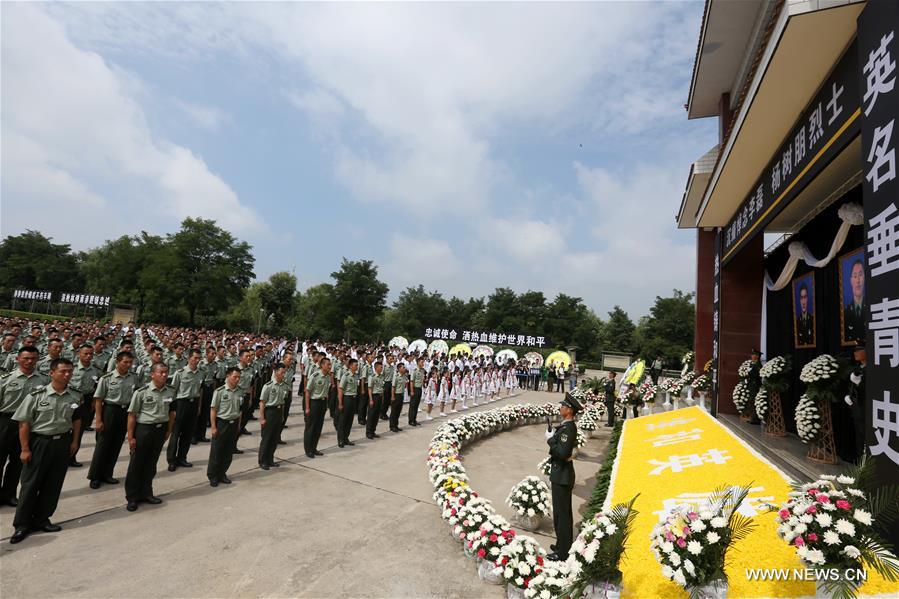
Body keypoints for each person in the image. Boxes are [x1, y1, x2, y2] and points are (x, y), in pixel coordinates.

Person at [9, 358, 81, 544]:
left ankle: (42, 518)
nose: (67, 374)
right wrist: (25, 449)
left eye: (70, 371)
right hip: (40, 442)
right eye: (63, 371)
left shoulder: (74, 395)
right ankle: (22, 524)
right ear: (51, 373)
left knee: (53, 483)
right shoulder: (36, 396)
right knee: (31, 484)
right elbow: (24, 423)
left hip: (62, 442)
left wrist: (74, 442)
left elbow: (76, 420)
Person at [0, 346, 48, 507]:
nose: (29, 361)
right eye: (26, 358)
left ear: (38, 359)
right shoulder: (5, 379)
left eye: (33, 358)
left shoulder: (43, 380)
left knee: (18, 462)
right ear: (17, 359)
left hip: (29, 425)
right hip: (6, 422)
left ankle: (8, 494)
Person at [124, 363, 175, 511]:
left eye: (166, 372)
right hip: (144, 430)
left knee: (151, 464)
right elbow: (132, 415)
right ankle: (132, 497)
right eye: (161, 372)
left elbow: (172, 412)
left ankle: (147, 493)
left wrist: (169, 430)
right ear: (152, 374)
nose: (164, 375)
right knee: (136, 464)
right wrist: (130, 437)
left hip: (160, 430)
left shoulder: (170, 391)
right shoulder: (141, 392)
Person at [88, 351, 138, 489]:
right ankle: (95, 476)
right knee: (103, 445)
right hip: (110, 411)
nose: (128, 365)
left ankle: (107, 474)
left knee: (116, 444)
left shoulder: (133, 377)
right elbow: (99, 400)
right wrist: (98, 420)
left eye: (130, 362)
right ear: (117, 362)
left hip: (125, 412)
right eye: (125, 362)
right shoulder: (107, 378)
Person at [545, 392, 580, 561]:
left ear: (570, 410)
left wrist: (551, 440)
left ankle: (563, 552)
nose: (561, 408)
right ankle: (561, 544)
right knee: (559, 514)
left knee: (563, 515)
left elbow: (562, 452)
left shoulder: (569, 428)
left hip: (562, 476)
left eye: (563, 406)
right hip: (560, 475)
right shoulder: (565, 427)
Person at [166, 349, 203, 471]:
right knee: (176, 433)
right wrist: (172, 409)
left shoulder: (200, 373)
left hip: (193, 404)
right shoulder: (180, 373)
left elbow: (200, 391)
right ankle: (171, 460)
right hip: (181, 404)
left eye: (199, 358)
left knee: (187, 434)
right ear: (189, 358)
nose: (197, 360)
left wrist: (198, 406)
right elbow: (173, 392)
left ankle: (182, 458)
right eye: (195, 358)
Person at [207, 367, 243, 487]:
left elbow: (240, 410)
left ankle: (222, 473)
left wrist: (238, 426)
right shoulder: (220, 391)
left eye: (239, 377)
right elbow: (213, 410)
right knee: (217, 452)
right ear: (228, 376)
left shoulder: (240, 391)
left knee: (228, 452)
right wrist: (213, 427)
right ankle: (213, 476)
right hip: (222, 424)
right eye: (235, 377)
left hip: (234, 424)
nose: (237, 379)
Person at [68, 343, 101, 467]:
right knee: (66, 429)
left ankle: (72, 457)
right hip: (70, 400)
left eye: (91, 354)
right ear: (78, 354)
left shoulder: (95, 369)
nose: (88, 356)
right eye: (85, 353)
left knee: (79, 430)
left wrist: (93, 401)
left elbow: (97, 386)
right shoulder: (71, 368)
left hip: (86, 401)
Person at [258, 363, 288, 470]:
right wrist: (262, 418)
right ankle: (263, 461)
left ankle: (270, 459)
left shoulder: (284, 385)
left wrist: (282, 415)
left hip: (278, 412)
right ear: (275, 372)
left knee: (275, 438)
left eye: (284, 373)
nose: (283, 375)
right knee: (267, 438)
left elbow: (283, 402)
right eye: (282, 372)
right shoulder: (268, 386)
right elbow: (262, 403)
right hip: (270, 412)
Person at [303, 357, 331, 459]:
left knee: (318, 427)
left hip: (322, 403)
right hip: (314, 403)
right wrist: (307, 407)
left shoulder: (328, 376)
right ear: (322, 365)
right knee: (311, 427)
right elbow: (308, 392)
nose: (330, 366)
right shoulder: (315, 376)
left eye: (330, 364)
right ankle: (308, 450)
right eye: (328, 364)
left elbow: (326, 392)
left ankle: (314, 448)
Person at [845, 342, 867, 459]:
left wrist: (859, 383)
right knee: (859, 437)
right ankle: (860, 464)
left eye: (859, 350)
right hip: (857, 407)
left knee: (865, 436)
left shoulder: (872, 368)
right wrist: (850, 396)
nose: (855, 353)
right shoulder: (859, 368)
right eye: (855, 350)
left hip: (866, 408)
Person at [337, 358, 360, 448]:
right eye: (355, 365)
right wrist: (340, 403)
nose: (357, 367)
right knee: (343, 420)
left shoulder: (356, 375)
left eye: (357, 365)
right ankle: (341, 439)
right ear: (350, 366)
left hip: (354, 399)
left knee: (350, 420)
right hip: (347, 398)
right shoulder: (345, 375)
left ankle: (346, 438)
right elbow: (340, 389)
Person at [843, 259, 866, 343]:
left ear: (864, 278)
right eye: (855, 276)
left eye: (860, 275)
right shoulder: (845, 313)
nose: (858, 281)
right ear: (851, 280)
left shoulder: (872, 308)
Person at [366, 361, 385, 439]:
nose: (382, 368)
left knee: (376, 415)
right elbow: (370, 388)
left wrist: (382, 398)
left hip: (379, 397)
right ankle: (368, 432)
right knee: (371, 415)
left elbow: (382, 388)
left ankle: (373, 431)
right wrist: (371, 399)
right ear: (376, 368)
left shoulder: (381, 376)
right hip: (374, 397)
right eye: (381, 367)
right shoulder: (372, 377)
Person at [390, 363, 409, 433]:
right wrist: (392, 396)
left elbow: (406, 383)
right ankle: (392, 426)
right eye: (403, 367)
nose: (404, 369)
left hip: (401, 395)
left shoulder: (404, 376)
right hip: (396, 395)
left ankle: (396, 425)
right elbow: (393, 387)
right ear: (399, 369)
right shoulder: (396, 376)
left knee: (398, 411)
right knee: (394, 412)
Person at [746, 349, 762, 424]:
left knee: (754, 401)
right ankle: (752, 417)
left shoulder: (758, 365)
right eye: (752, 354)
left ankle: (755, 419)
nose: (751, 356)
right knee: (751, 401)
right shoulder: (753, 364)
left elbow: (757, 375)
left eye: (753, 355)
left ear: (757, 356)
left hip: (755, 385)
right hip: (752, 385)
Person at [409, 357, 424, 427]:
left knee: (417, 405)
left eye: (423, 362)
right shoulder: (414, 370)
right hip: (415, 389)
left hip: (419, 388)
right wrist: (412, 391)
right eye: (421, 362)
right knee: (413, 405)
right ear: (418, 363)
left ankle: (414, 419)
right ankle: (411, 420)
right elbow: (412, 381)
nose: (423, 363)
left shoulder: (422, 370)